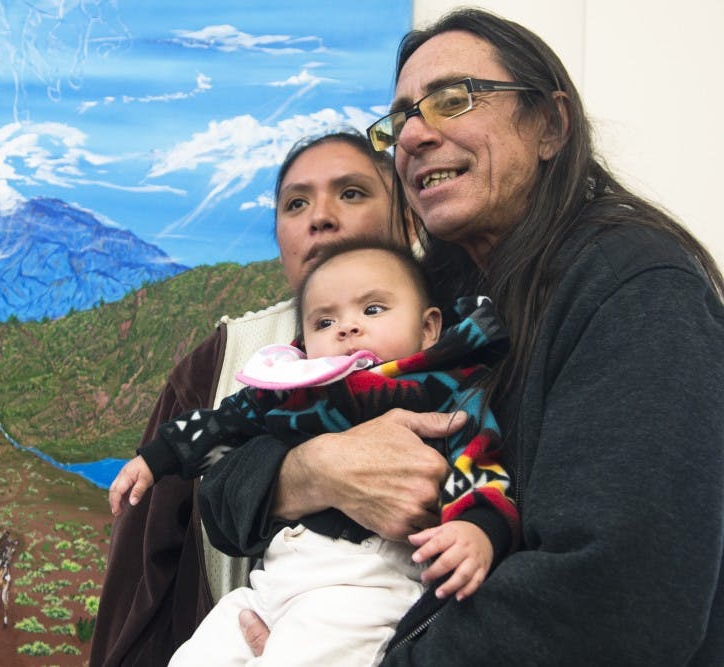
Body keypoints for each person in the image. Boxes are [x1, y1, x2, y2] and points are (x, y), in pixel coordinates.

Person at [213, 8, 724, 665]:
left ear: (549, 125)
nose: (416, 135)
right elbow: (219, 495)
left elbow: (615, 599)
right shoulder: (419, 302)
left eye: (453, 98)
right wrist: (313, 471)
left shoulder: (638, 289)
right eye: (400, 120)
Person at [90, 131, 457, 667]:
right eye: (296, 203)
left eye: (352, 193)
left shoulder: (454, 353)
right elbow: (145, 571)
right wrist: (305, 471)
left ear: (407, 219)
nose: (321, 217)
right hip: (262, 602)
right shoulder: (225, 361)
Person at [109, 239, 517, 665]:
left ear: (428, 326)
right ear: (304, 341)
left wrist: (480, 528)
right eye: (325, 322)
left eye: (373, 309)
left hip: (363, 588)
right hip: (273, 583)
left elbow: (480, 459)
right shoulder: (297, 388)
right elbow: (226, 422)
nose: (347, 327)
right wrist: (159, 457)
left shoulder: (447, 388)